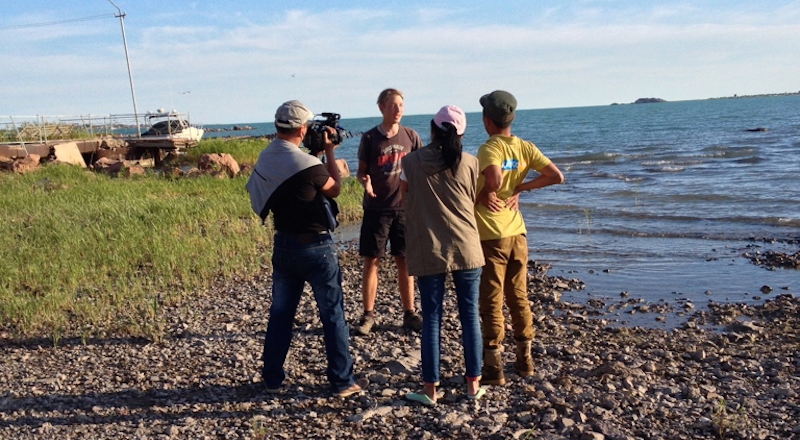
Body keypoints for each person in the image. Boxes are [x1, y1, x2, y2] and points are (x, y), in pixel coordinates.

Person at [245, 100, 368, 398]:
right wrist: (329, 152)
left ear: (277, 127)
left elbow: (265, 187)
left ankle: (272, 378)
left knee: (281, 313)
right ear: (302, 130)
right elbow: (335, 188)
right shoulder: (310, 166)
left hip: (284, 244)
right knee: (332, 315)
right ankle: (341, 381)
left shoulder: (265, 158)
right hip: (316, 247)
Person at [474, 91, 564, 386]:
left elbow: (494, 179)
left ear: (487, 120)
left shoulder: (490, 148)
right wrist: (521, 189)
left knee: (491, 300)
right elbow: (555, 175)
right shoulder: (524, 147)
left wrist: (488, 190)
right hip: (517, 233)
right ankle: (525, 360)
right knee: (518, 296)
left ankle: (493, 366)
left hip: (491, 235)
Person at [400, 105, 486, 405]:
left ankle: (430, 389)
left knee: (432, 318)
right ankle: (473, 385)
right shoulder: (470, 162)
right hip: (467, 245)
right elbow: (471, 198)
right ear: (461, 134)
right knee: (469, 316)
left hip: (429, 246)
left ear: (432, 129)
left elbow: (403, 196)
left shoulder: (410, 161)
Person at [355, 88, 424, 335]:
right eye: (393, 106)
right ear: (381, 107)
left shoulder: (411, 136)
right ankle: (368, 315)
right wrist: (366, 182)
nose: (398, 111)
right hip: (377, 209)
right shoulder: (370, 138)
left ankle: (409, 313)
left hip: (404, 209)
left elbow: (420, 169)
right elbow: (361, 171)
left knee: (404, 261)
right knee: (371, 261)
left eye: (401, 106)